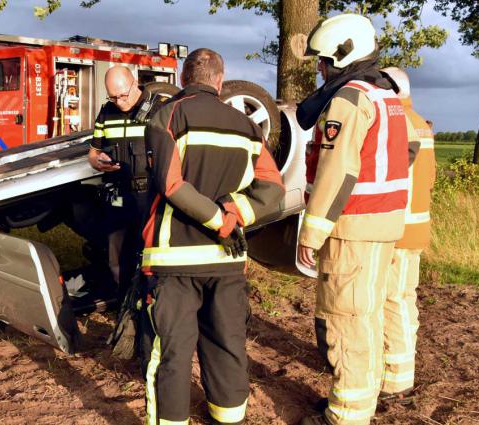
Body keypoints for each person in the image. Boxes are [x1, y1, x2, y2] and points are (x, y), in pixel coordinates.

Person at [142, 48, 284, 425]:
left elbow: (171, 185)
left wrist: (218, 218)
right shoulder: (249, 127)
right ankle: (229, 417)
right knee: (227, 344)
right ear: (220, 81)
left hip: (175, 259)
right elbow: (273, 190)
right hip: (228, 260)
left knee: (172, 352)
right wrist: (235, 214)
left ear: (184, 78)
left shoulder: (168, 116)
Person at [295, 14, 420, 425]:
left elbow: (337, 171)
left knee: (347, 321)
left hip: (352, 229)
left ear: (341, 54)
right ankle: (365, 400)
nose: (319, 68)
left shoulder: (350, 99)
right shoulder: (387, 95)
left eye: (322, 60)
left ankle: (346, 415)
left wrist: (312, 233)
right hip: (384, 225)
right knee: (368, 315)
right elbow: (409, 151)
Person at [378, 66, 436, 406]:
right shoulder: (420, 123)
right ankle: (405, 361)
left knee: (392, 301)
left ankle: (396, 379)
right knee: (405, 298)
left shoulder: (396, 122)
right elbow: (428, 180)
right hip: (416, 227)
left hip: (396, 229)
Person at [89, 66, 167, 296]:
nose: (119, 101)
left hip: (149, 196)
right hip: (117, 195)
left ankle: (151, 302)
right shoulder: (106, 111)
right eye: (112, 96)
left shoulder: (160, 108)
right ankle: (124, 303)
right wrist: (97, 161)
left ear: (134, 84)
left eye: (122, 95)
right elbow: (93, 153)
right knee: (117, 256)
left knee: (151, 255)